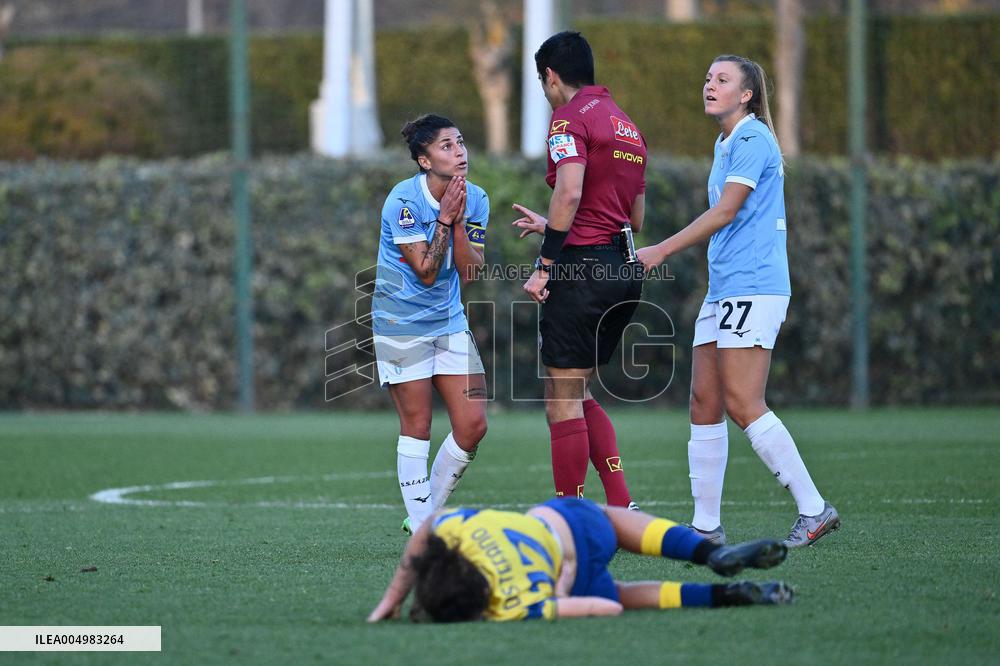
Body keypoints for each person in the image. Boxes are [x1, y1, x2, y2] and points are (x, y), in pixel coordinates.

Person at [635, 56, 840, 548]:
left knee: (744, 403)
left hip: (754, 285)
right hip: (725, 288)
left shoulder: (751, 138)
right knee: (704, 402)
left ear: (747, 95)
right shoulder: (726, 141)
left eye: (722, 80)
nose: (710, 85)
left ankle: (814, 509)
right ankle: (706, 527)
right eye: (708, 78)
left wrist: (662, 249)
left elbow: (726, 211)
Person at [511, 31, 646, 509]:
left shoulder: (568, 118)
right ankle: (621, 505)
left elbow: (569, 191)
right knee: (578, 390)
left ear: (550, 76)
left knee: (561, 400)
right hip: (623, 270)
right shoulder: (626, 125)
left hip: (582, 270)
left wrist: (545, 264)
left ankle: (569, 516)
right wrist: (555, 226)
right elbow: (633, 217)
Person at [367, 498, 792, 623]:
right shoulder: (457, 530)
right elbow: (425, 529)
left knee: (621, 595)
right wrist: (392, 597)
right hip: (569, 525)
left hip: (572, 581)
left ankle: (722, 596)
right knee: (615, 520)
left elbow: (607, 609)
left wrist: (562, 588)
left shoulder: (513, 606)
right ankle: (709, 552)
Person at [372, 114, 490, 536]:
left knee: (473, 425)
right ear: (425, 161)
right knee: (417, 426)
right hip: (400, 324)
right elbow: (425, 270)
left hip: (449, 321)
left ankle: (423, 517)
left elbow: (470, 272)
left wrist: (456, 220)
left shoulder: (476, 199)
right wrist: (443, 217)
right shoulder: (402, 201)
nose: (460, 152)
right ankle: (425, 529)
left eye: (461, 143)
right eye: (447, 146)